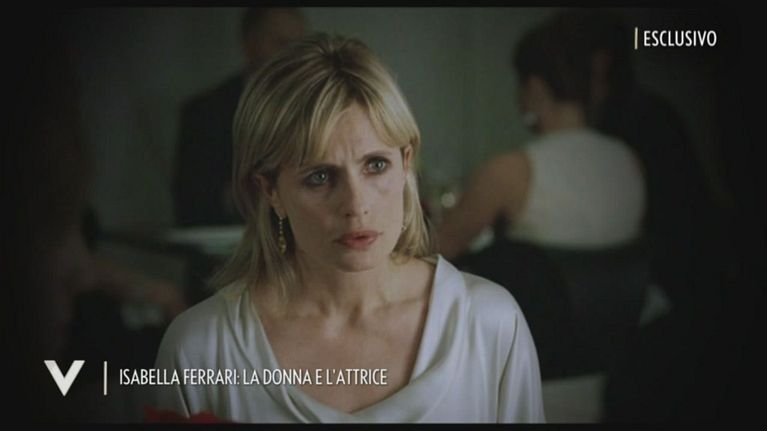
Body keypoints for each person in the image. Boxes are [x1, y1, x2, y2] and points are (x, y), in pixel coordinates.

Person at [153, 33, 545, 423]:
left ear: (406, 164)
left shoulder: (489, 325)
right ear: (269, 190)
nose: (357, 205)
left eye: (376, 165)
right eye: (320, 176)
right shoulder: (201, 349)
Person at [434, 17, 647, 379]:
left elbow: (433, 251)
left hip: (527, 370)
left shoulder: (511, 171)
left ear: (532, 88)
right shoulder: (630, 162)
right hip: (618, 369)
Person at [172, 7, 307, 227]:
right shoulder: (204, 112)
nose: (293, 56)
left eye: (299, 46)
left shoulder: (319, 107)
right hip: (226, 241)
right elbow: (189, 201)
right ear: (249, 45)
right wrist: (239, 196)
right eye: (281, 43)